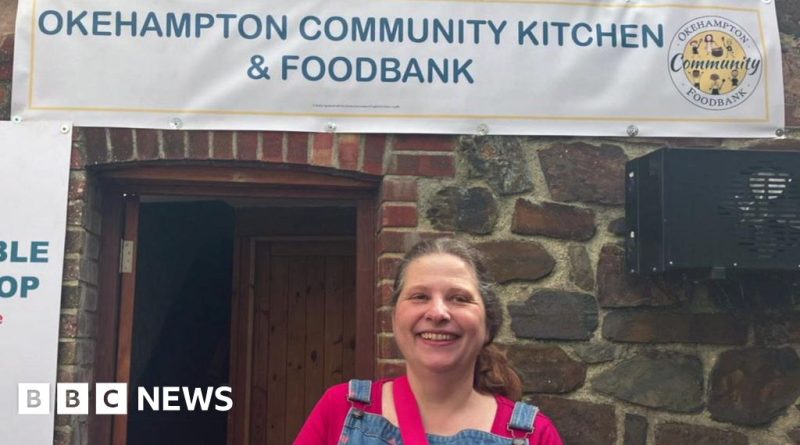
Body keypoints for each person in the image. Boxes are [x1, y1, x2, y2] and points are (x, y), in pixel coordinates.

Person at [295, 238, 563, 444]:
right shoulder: (341, 408)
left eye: (459, 298)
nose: (437, 313)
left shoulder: (535, 435)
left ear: (488, 324)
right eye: (420, 296)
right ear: (395, 316)